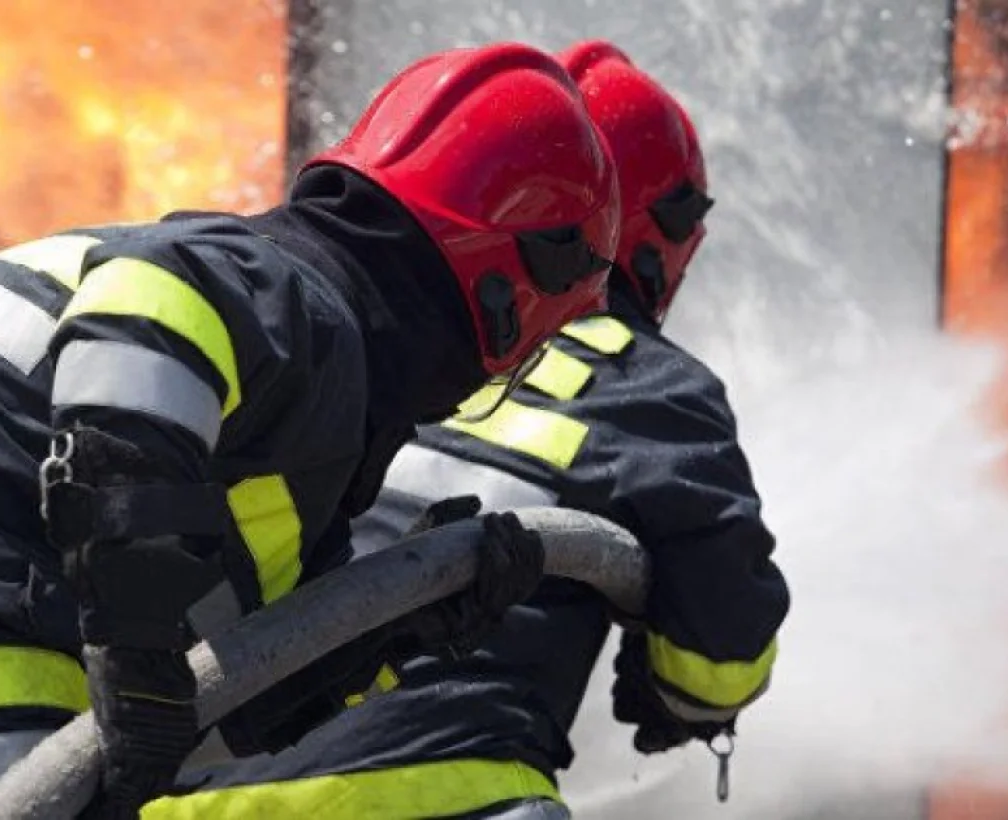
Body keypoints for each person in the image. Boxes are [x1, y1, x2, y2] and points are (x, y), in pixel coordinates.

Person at [0, 42, 622, 819]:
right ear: (516, 290)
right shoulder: (288, 295)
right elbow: (147, 319)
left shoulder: (283, 401)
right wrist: (135, 645)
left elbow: (208, 708)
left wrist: (398, 627)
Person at [144, 40, 791, 820]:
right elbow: (717, 664)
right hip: (437, 799)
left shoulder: (341, 338)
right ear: (656, 234)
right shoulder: (647, 385)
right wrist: (672, 684)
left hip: (183, 796)